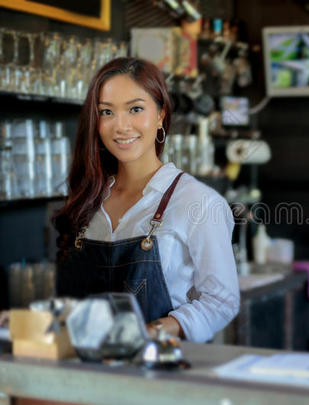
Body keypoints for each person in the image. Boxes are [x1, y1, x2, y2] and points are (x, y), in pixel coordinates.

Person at [53, 57, 239, 343]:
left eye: (135, 109)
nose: (121, 126)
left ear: (161, 115)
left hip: (157, 371)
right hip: (79, 372)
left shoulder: (198, 201)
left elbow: (221, 301)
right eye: (106, 112)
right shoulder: (87, 199)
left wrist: (154, 331)